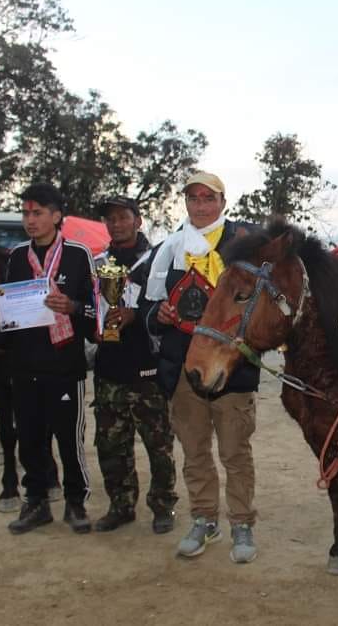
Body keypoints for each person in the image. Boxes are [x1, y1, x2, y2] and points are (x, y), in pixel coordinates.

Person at [0, 183, 99, 534]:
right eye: (25, 213)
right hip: (23, 364)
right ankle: (35, 502)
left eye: (37, 213)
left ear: (57, 216)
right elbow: (9, 315)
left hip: (64, 365)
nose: (30, 220)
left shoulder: (78, 255)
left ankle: (75, 503)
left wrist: (72, 306)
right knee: (30, 439)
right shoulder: (17, 257)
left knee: (69, 439)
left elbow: (96, 308)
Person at [140, 171, 261, 562]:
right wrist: (158, 314)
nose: (201, 205)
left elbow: (262, 304)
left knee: (234, 452)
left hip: (231, 369)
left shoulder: (245, 245)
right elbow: (146, 305)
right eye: (193, 199)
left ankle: (241, 524)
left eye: (209, 198)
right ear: (186, 203)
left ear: (223, 202)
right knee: (194, 451)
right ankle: (204, 519)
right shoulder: (168, 249)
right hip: (183, 367)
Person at [91, 196, 178, 534]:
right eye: (110, 219)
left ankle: (162, 505)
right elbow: (90, 306)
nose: (116, 224)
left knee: (158, 444)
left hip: (147, 368)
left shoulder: (159, 259)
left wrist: (135, 314)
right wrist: (95, 324)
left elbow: (169, 306)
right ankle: (121, 505)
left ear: (138, 220)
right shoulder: (99, 262)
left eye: (123, 217)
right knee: (111, 443)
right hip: (109, 368)